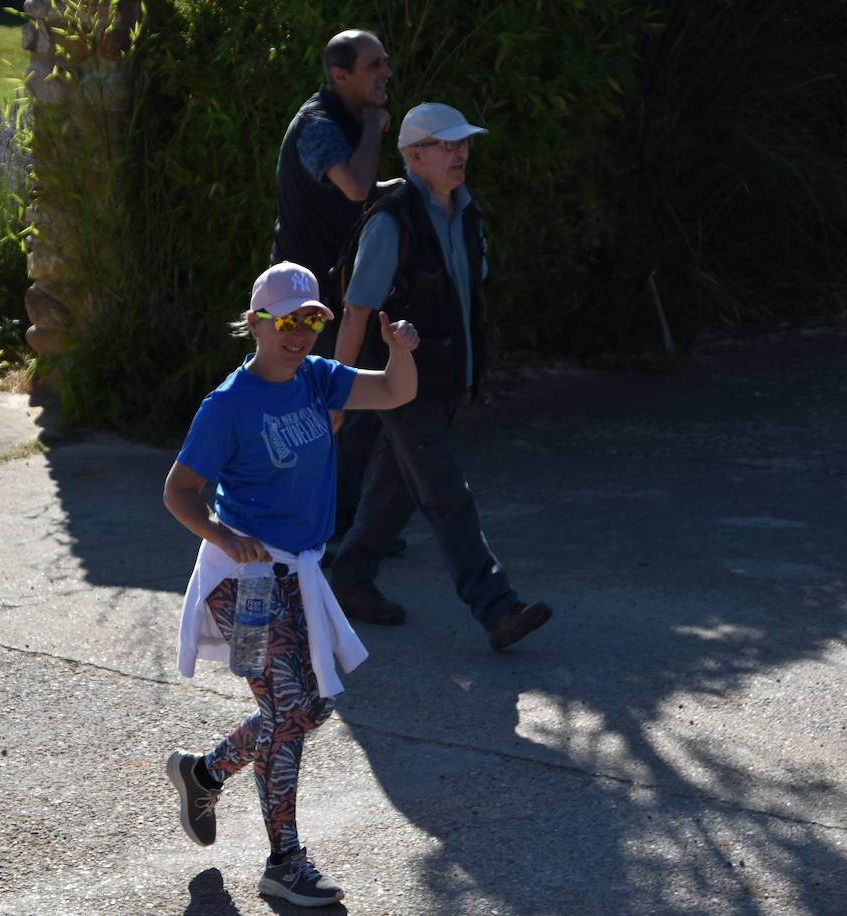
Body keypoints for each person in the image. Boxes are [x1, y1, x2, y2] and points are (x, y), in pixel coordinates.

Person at [162, 261, 419, 907]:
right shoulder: (227, 405)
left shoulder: (316, 379)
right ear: (256, 324)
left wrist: (400, 352)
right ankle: (285, 861)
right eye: (286, 321)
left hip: (297, 576)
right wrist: (223, 535)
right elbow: (179, 492)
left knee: (309, 707)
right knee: (291, 709)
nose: (299, 333)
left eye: (310, 320)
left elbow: (393, 393)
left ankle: (204, 772)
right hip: (241, 582)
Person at [327, 102, 553, 650]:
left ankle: (351, 580)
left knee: (395, 485)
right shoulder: (391, 221)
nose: (461, 153)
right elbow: (357, 310)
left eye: (464, 144)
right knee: (449, 493)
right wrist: (336, 392)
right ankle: (496, 608)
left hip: (449, 379)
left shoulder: (467, 212)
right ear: (413, 155)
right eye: (448, 145)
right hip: (403, 383)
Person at [270, 28, 410, 585]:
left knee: (355, 409)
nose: (386, 73)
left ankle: (347, 525)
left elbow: (363, 190)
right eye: (374, 65)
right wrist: (376, 128)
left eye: (385, 63)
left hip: (338, 290)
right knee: (319, 411)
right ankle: (302, 528)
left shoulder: (346, 122)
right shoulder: (320, 127)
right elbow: (355, 187)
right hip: (303, 299)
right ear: (340, 76)